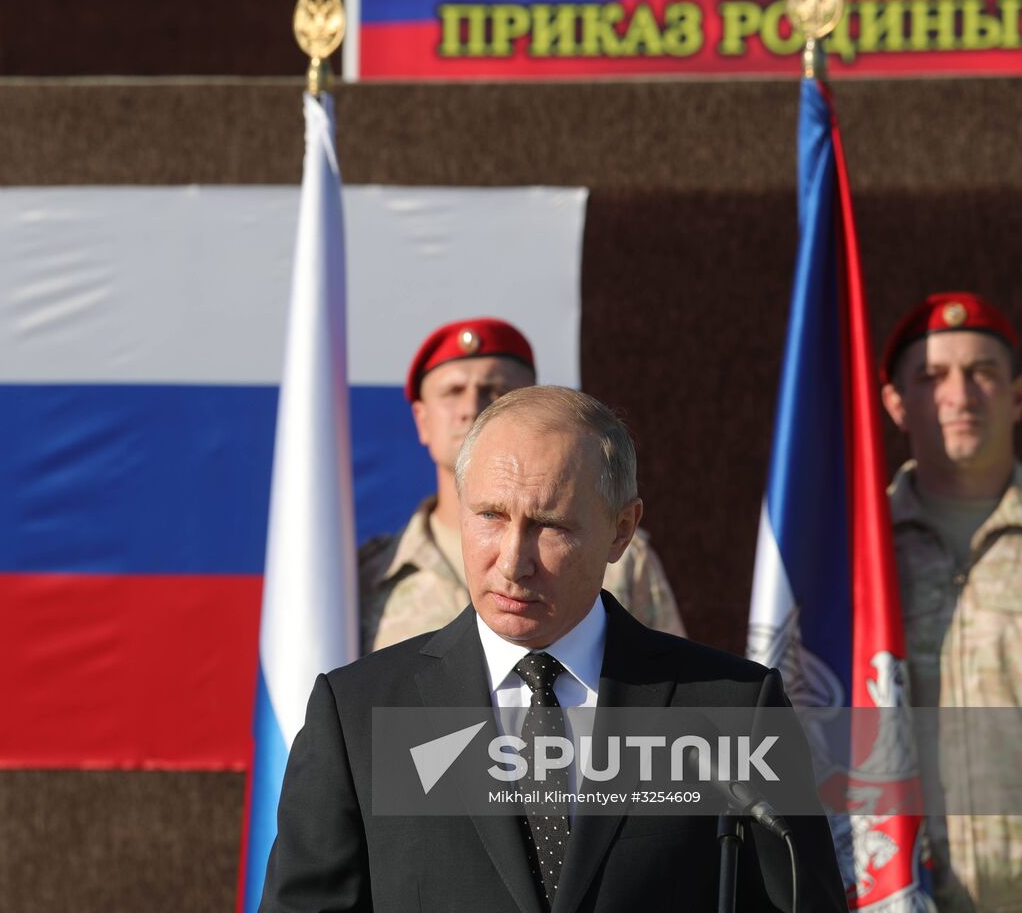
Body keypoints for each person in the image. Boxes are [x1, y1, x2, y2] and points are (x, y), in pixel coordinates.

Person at [262, 386, 846, 912]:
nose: (512, 561)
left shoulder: (733, 709)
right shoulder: (358, 711)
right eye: (489, 516)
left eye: (551, 526)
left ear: (622, 530)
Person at [361, 317, 685, 654]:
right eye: (453, 392)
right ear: (422, 419)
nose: (471, 408)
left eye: (494, 392)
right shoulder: (369, 573)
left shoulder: (622, 557)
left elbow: (669, 684)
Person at [879, 291, 1022, 913]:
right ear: (895, 404)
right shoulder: (857, 557)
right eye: (932, 377)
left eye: (983, 374)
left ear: (1017, 395)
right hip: (901, 893)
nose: (960, 397)